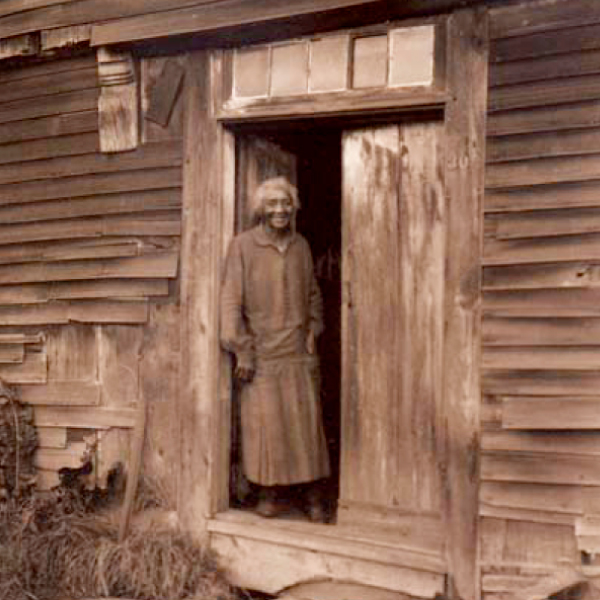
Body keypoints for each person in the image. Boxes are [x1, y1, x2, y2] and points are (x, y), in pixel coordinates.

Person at [220, 176, 330, 521]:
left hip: (297, 351)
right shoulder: (242, 246)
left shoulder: (301, 245)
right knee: (267, 428)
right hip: (263, 353)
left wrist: (314, 328)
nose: (280, 209)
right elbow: (230, 302)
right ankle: (269, 494)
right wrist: (242, 349)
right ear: (261, 210)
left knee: (305, 428)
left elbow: (313, 291)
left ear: (293, 207)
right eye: (272, 204)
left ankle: (313, 497)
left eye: (285, 203)